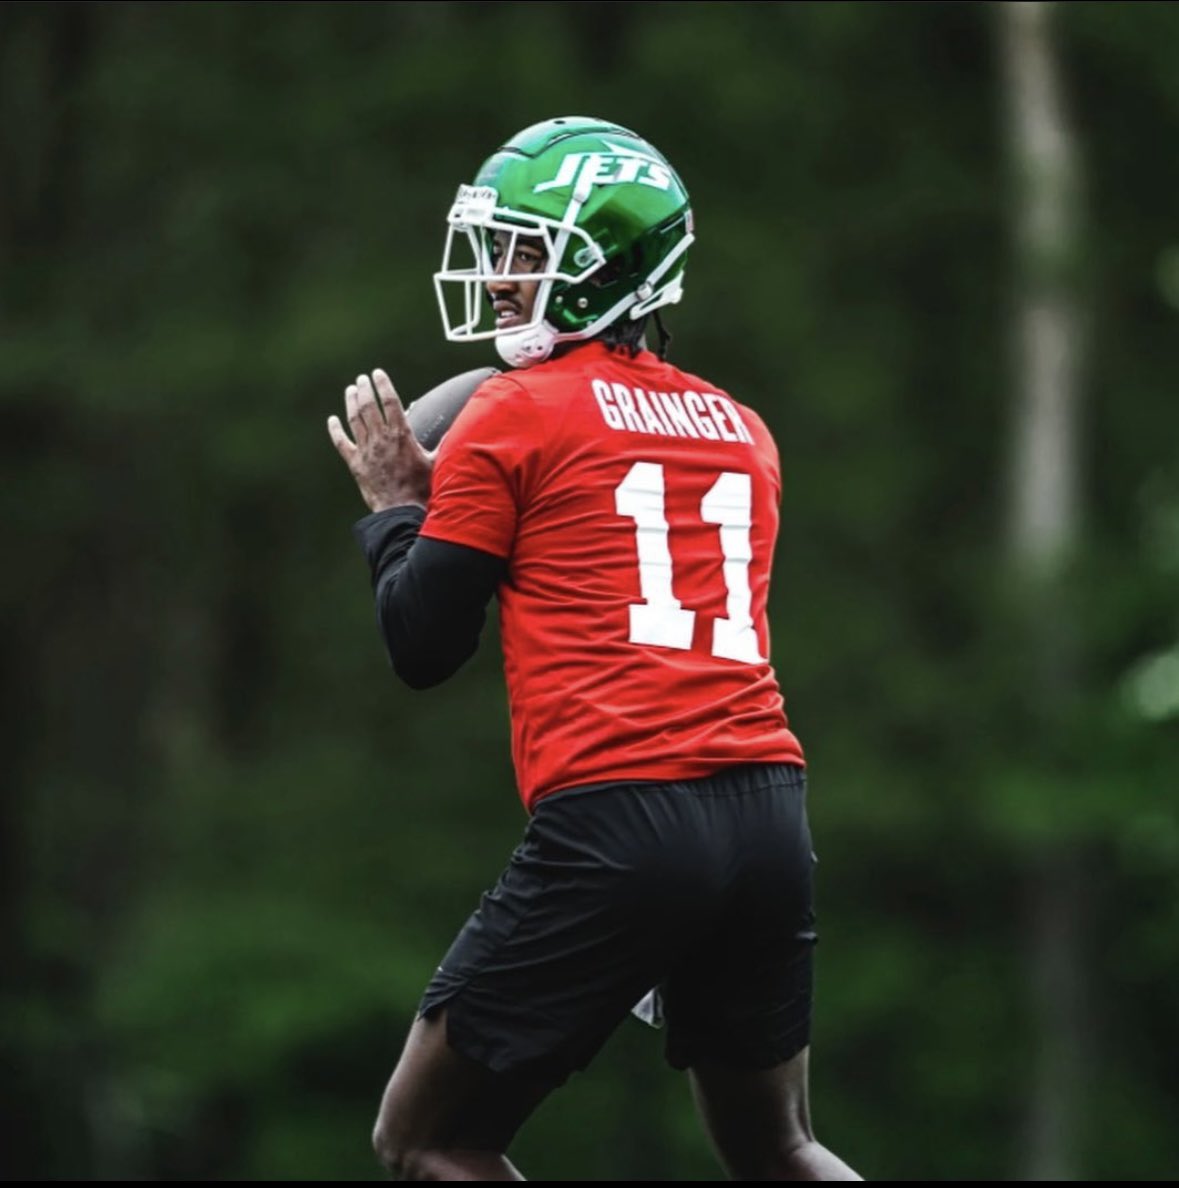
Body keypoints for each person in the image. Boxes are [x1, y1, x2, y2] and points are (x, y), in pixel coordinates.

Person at [327, 116, 862, 1182]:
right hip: (764, 813)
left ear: (605, 263)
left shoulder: (514, 413)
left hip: (622, 818)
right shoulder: (741, 427)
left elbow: (422, 644)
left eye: (528, 251)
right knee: (780, 1147)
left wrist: (394, 504)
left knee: (427, 1140)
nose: (500, 276)